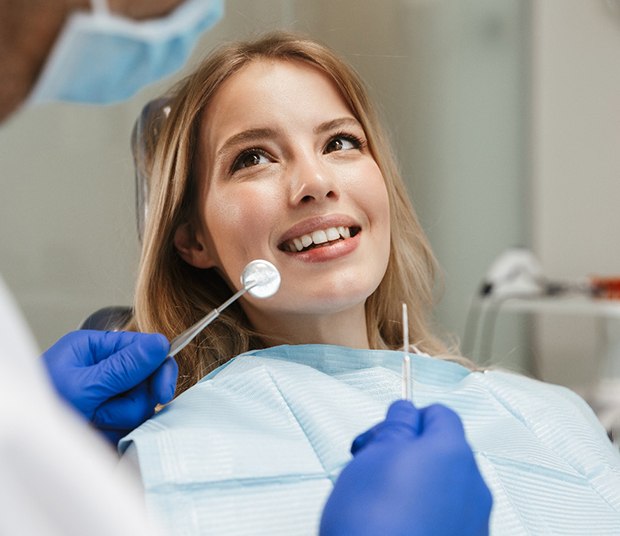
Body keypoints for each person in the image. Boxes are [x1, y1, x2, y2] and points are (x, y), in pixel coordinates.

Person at [113, 30, 614, 535]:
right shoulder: (164, 460)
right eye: (253, 158)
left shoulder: (556, 418)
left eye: (340, 142)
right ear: (193, 240)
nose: (315, 182)